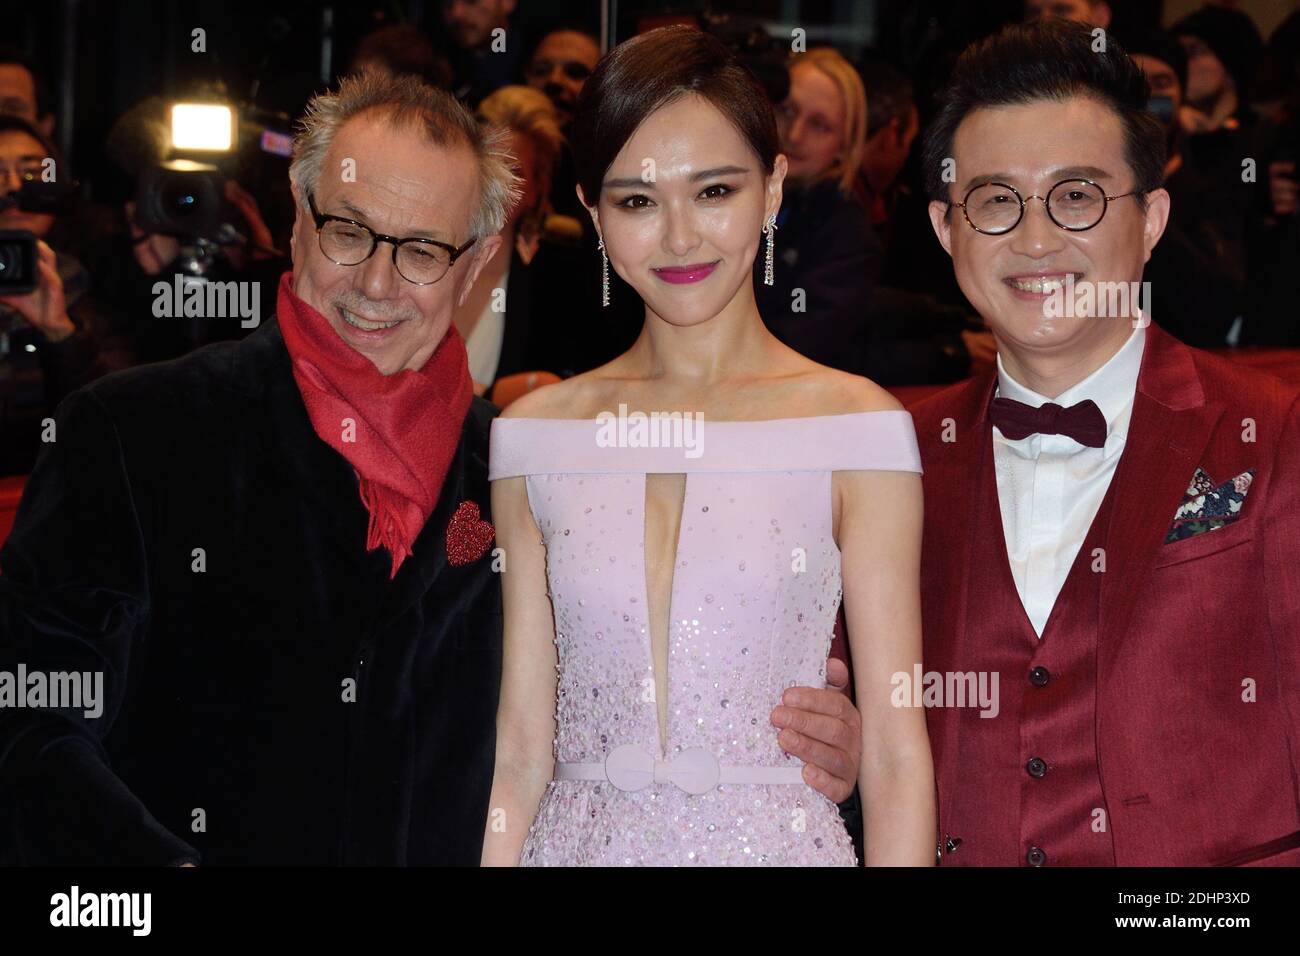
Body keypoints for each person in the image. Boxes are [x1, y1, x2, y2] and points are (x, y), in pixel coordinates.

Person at [0, 71, 517, 865]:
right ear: (298, 215)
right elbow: (32, 720)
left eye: (420, 251)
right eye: (350, 231)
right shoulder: (133, 431)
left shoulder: (515, 471)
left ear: (478, 260)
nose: (375, 285)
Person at [482, 25, 934, 867]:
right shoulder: (535, 437)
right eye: (638, 200)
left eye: (714, 191)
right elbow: (520, 753)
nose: (681, 237)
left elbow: (900, 760)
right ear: (593, 211)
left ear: (771, 191)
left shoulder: (858, 427)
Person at [915, 19, 1300, 866]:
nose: (1036, 236)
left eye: (1078, 195)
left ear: (1152, 216)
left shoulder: (1276, 436)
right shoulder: (893, 457)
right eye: (995, 200)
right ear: (948, 229)